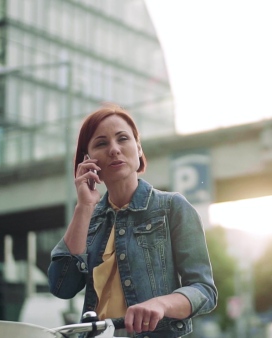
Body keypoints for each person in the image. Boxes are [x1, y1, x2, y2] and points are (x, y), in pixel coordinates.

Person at [48, 104, 217, 337]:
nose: (114, 149)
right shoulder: (89, 219)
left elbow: (205, 291)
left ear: (138, 148)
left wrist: (161, 304)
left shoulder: (172, 207)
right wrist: (84, 207)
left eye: (123, 139)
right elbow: (61, 287)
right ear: (88, 161)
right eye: (101, 143)